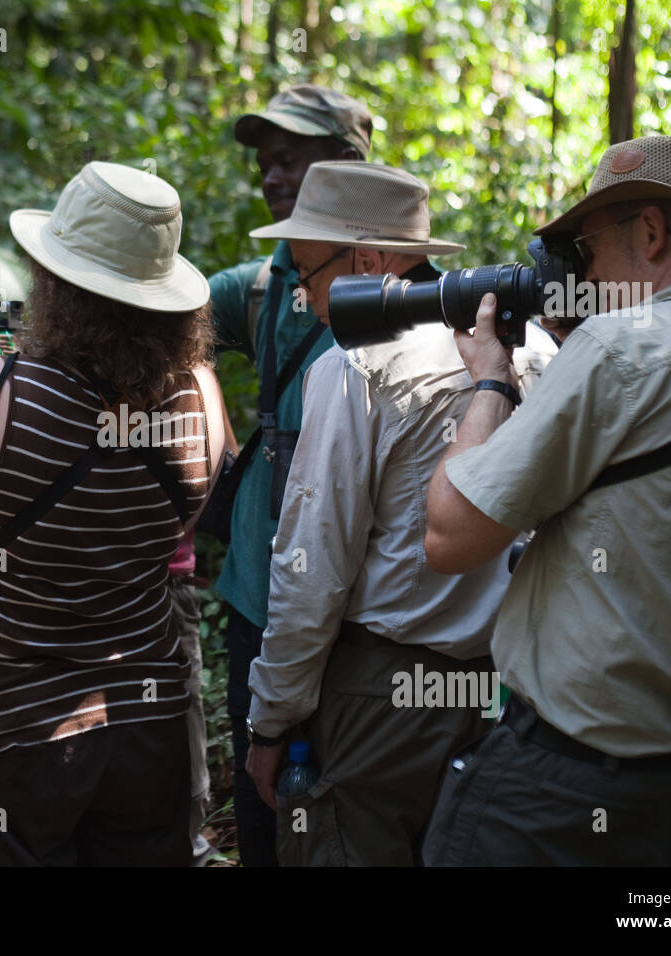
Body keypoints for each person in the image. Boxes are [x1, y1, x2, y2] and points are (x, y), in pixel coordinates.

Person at [422, 134, 671, 865]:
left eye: (587, 249)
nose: (579, 273)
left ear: (651, 233)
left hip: (560, 793)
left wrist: (491, 382)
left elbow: (449, 535)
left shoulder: (623, 349)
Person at [0, 161, 227, 866]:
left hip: (13, 726)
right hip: (147, 720)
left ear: (56, 284)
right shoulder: (201, 393)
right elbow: (169, 529)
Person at [240, 161, 557, 865]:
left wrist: (271, 723)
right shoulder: (530, 357)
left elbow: (311, 568)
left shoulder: (356, 367)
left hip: (380, 704)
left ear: (366, 261)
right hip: (500, 694)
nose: (302, 290)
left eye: (307, 268)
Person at [207, 83, 375, 867]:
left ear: (347, 169)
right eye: (266, 164)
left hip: (360, 616)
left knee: (348, 810)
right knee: (265, 806)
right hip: (257, 597)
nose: (273, 178)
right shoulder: (263, 287)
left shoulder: (409, 294)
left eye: (292, 161)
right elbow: (146, 323)